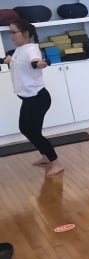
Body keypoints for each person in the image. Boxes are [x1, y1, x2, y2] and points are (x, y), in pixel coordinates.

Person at [2, 19, 65, 176]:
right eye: (9, 33)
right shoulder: (19, 50)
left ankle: (56, 163)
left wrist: (39, 64)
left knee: (33, 131)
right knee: (26, 128)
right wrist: (9, 60)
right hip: (28, 98)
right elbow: (16, 62)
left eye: (13, 32)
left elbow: (34, 62)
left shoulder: (31, 50)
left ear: (25, 33)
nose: (11, 36)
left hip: (38, 98)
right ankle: (45, 155)